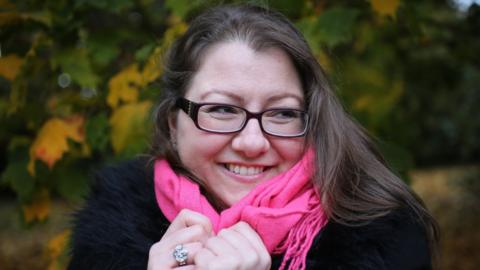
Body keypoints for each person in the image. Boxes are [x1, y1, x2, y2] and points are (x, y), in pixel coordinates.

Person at [68, 4, 438, 270]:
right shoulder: (110, 238)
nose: (252, 143)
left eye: (282, 113)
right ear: (172, 124)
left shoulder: (383, 243)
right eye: (223, 109)